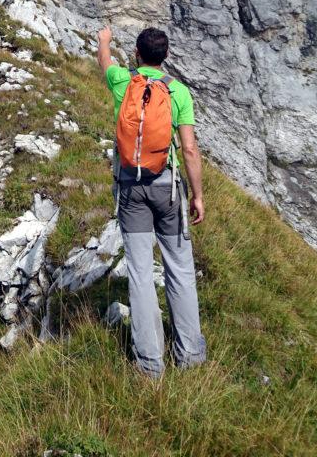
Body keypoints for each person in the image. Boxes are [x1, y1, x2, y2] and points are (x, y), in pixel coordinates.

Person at [98, 25, 207, 378]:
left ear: (136, 54)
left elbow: (104, 62)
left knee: (141, 276)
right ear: (166, 56)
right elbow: (189, 148)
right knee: (180, 268)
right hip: (168, 189)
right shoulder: (178, 92)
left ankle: (149, 365)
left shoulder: (121, 82)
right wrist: (198, 195)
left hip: (131, 190)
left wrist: (104, 41)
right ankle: (189, 356)